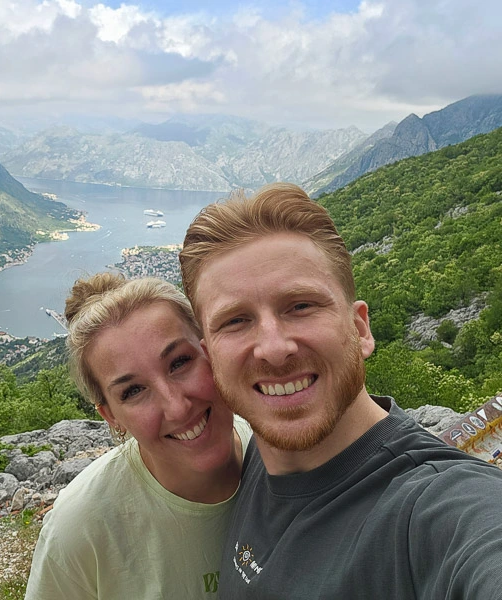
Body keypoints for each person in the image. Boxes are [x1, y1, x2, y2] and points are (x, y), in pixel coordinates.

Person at [179, 182, 502, 599]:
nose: (275, 349)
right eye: (235, 321)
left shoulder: (437, 510)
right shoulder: (255, 455)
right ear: (210, 356)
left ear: (360, 328)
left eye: (300, 306)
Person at [25, 273, 251, 600]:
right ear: (111, 416)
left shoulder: (285, 454)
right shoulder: (80, 530)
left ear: (210, 349)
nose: (176, 408)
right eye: (133, 391)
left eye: (180, 362)